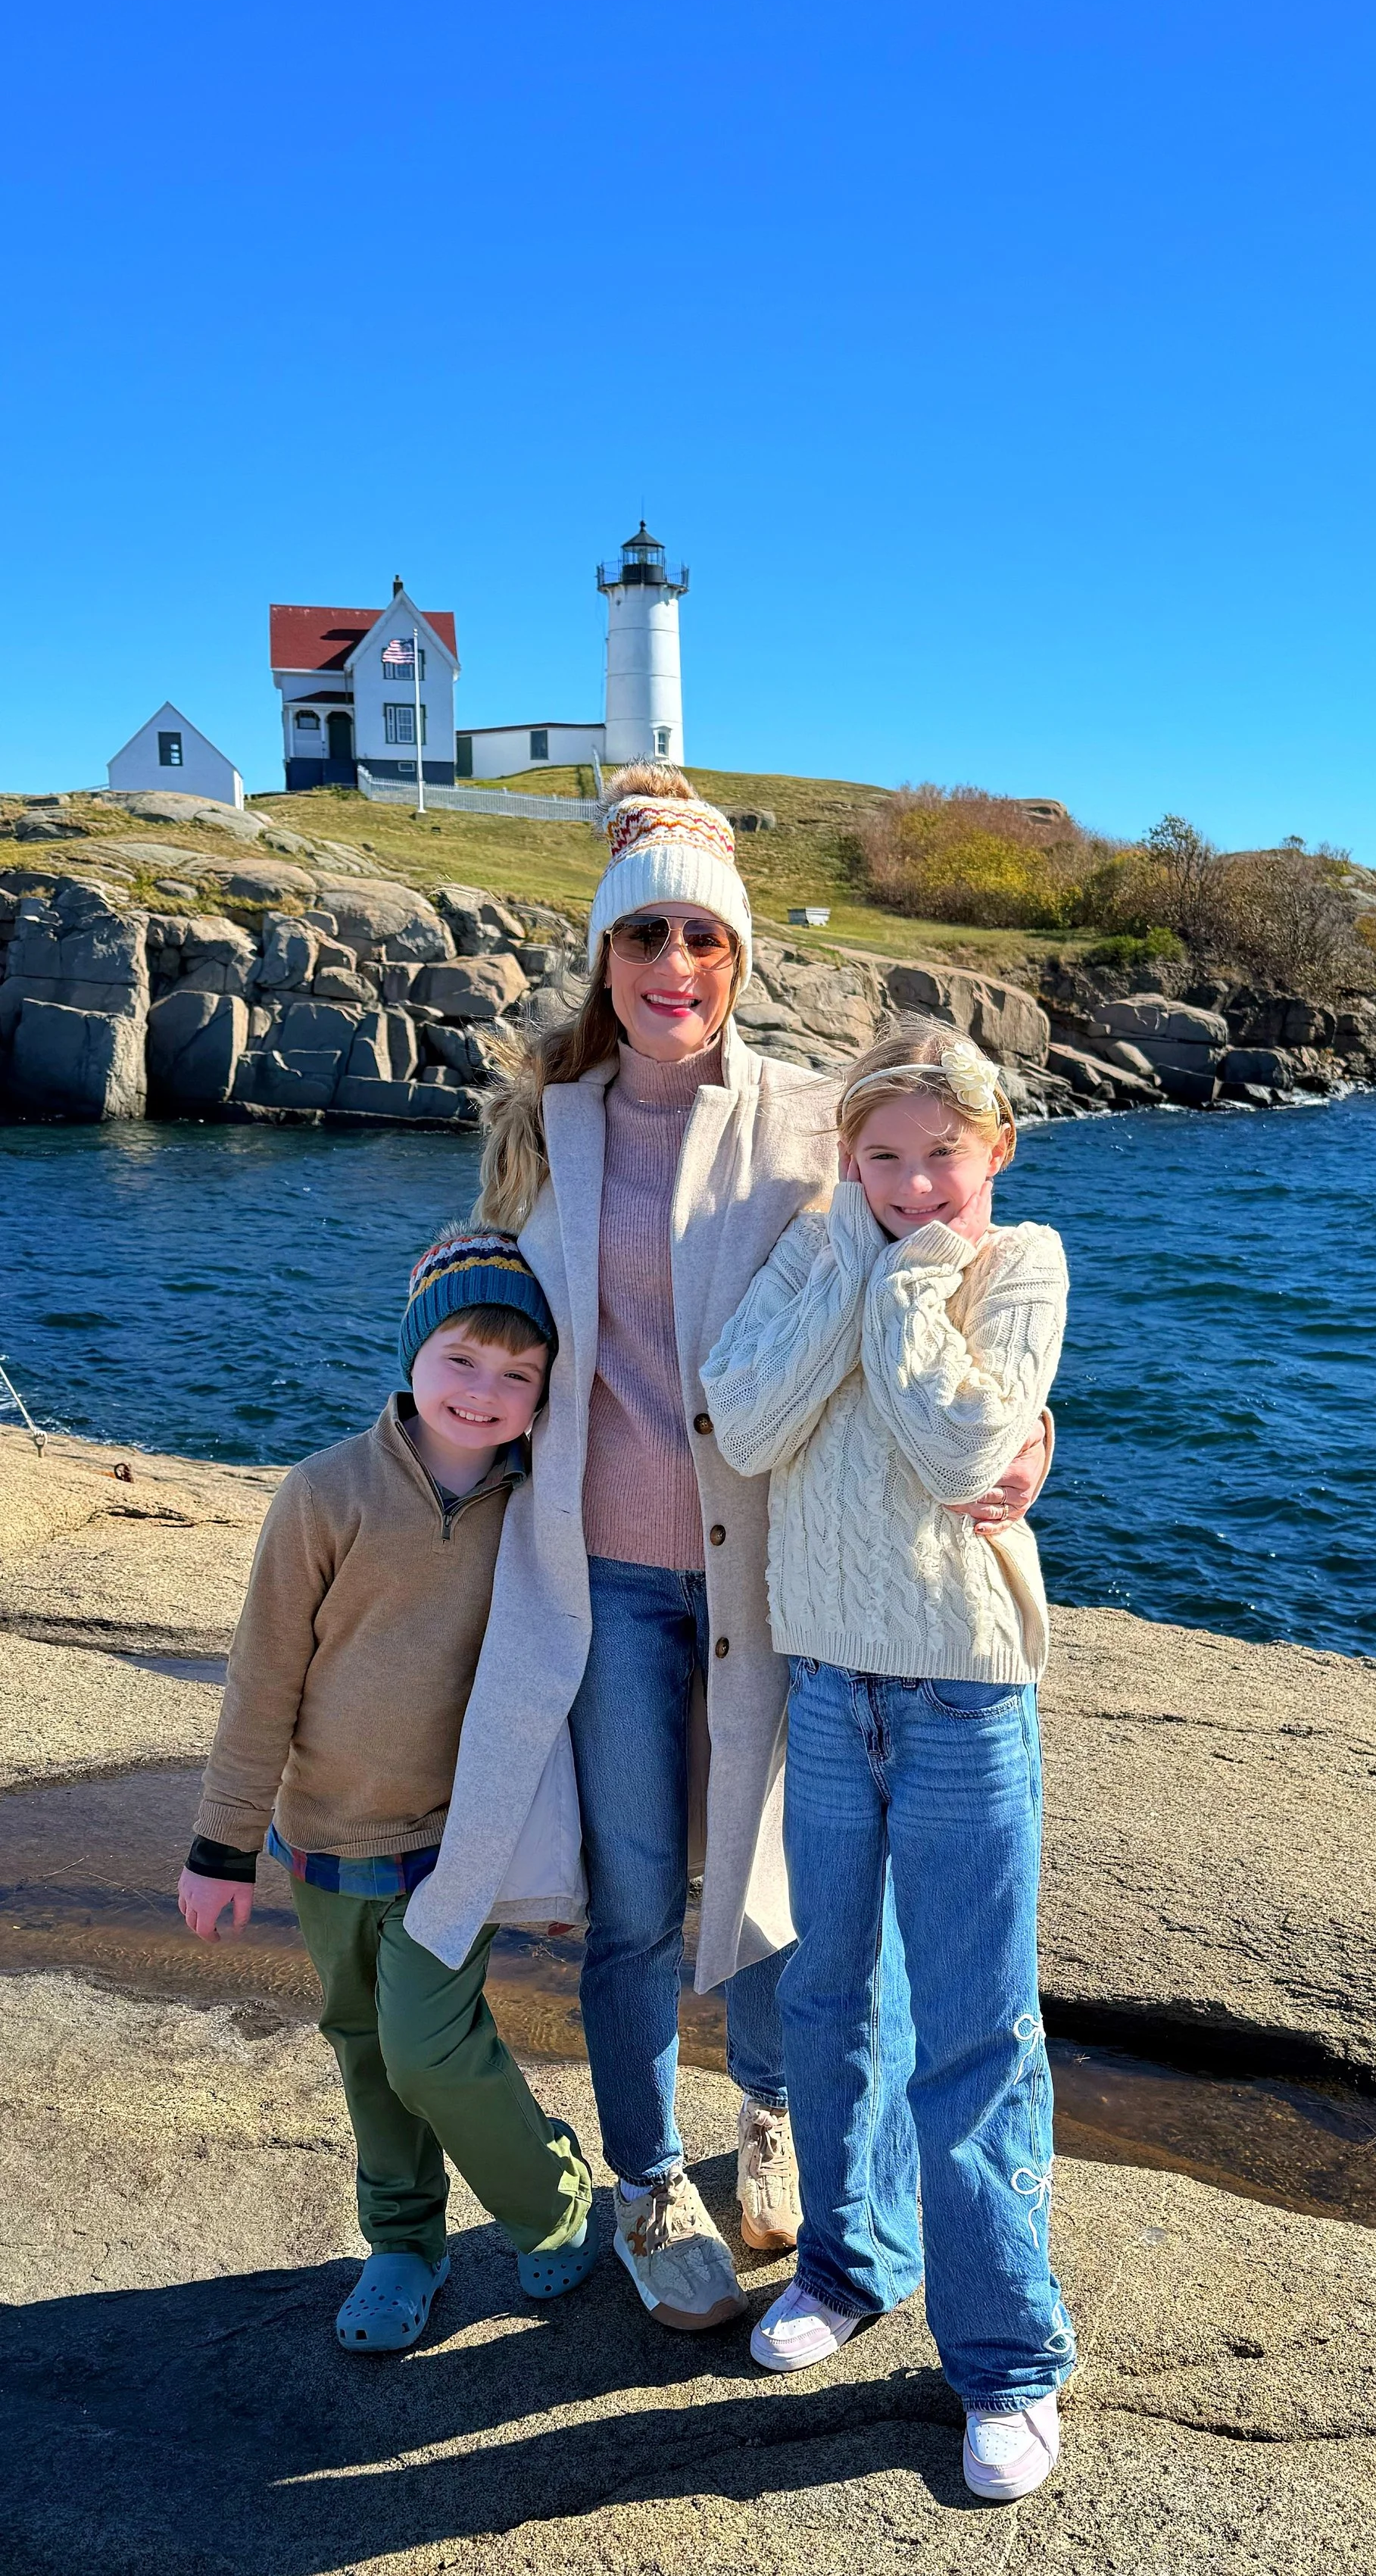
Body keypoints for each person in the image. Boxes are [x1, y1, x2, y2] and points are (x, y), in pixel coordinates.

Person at [401, 767, 1054, 2336]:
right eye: (646, 934)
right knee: (634, 1894)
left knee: (776, 1887)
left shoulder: (802, 1125)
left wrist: (1033, 1439)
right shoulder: (538, 1128)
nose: (672, 963)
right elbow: (479, 1308)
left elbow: (928, 1273)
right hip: (601, 1577)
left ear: (738, 957)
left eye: (702, 933)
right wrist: (414, 1453)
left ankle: (769, 2110)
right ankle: (645, 2172)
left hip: (777, 1570)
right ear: (605, 956)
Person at [700, 1019, 1074, 2503]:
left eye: (942, 1154)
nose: (914, 1181)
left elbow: (961, 1444)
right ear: (847, 1157)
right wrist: (857, 1264)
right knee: (826, 1988)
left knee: (976, 2029)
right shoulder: (816, 1251)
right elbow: (744, 1413)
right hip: (824, 1681)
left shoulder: (1018, 1260)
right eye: (883, 1157)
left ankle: (1005, 2357)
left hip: (963, 1693)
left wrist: (910, 1277)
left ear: (992, 1151)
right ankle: (854, 2265)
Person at [175, 1226, 600, 2354]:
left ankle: (552, 2199)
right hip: (324, 1837)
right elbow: (263, 1677)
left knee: (427, 2046)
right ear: (412, 1352)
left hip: (459, 1839)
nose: (485, 1392)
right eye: (462, 1358)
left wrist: (576, 1863)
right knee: (366, 2052)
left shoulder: (545, 1507)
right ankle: (403, 2246)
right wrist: (222, 1849)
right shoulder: (324, 1494)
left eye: (519, 1375)